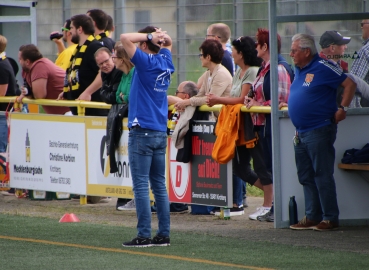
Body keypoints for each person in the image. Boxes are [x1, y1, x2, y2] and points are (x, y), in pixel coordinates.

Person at [288, 33, 356, 231]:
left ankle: (330, 217)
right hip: (301, 132)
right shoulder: (299, 69)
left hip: (319, 129)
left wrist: (342, 108)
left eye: (294, 50)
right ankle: (312, 216)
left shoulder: (323, 67)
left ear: (306, 51)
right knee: (306, 176)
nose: (291, 54)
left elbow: (349, 84)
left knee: (321, 174)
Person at [120, 26, 174, 247]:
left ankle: (143, 235)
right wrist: (161, 38)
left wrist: (152, 36)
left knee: (141, 186)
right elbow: (169, 43)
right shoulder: (166, 61)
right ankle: (163, 235)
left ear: (144, 45)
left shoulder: (147, 62)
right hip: (159, 131)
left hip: (142, 131)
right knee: (159, 186)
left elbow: (124, 38)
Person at [206, 36, 267, 217]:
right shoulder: (239, 71)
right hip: (236, 126)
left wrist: (218, 100)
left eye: (233, 50)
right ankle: (273, 197)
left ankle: (270, 200)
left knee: (260, 166)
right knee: (240, 168)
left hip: (250, 126)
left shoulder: (252, 71)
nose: (231, 53)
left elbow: (242, 99)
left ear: (241, 53)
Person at [244, 28, 293, 221]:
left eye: (258, 43)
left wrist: (258, 104)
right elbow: (259, 94)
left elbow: (282, 100)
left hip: (272, 126)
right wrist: (251, 101)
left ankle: (277, 208)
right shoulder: (266, 67)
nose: (255, 46)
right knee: (267, 167)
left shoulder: (279, 69)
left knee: (274, 167)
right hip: (263, 126)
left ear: (265, 46)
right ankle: (273, 207)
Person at [58, 14, 106, 116]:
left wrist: (88, 92)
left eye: (71, 28)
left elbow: (104, 72)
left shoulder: (94, 46)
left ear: (80, 29)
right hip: (80, 110)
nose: (69, 32)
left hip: (94, 112)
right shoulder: (79, 49)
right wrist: (67, 92)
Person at [174, 39, 232, 113]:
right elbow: (200, 96)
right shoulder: (208, 73)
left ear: (208, 57)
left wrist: (186, 102)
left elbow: (209, 99)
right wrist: (184, 103)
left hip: (225, 118)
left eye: (201, 55)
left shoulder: (221, 74)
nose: (200, 58)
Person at [17, 44, 70, 115]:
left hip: (68, 112)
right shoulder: (26, 71)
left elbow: (39, 95)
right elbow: (28, 91)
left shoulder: (40, 66)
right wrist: (26, 93)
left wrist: (27, 94)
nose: (19, 61)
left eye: (20, 59)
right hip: (58, 114)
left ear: (27, 62)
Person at [0, 35, 17, 184]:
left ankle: (6, 182)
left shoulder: (2, 66)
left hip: (3, 113)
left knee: (2, 149)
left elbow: (1, 93)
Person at [351, 19, 369, 107]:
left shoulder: (365, 51)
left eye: (362, 24)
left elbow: (353, 83)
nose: (361, 27)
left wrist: (355, 112)